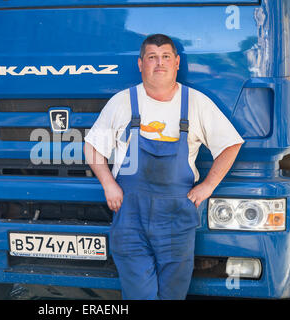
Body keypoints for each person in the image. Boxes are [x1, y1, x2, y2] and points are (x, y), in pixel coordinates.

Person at [84, 34, 244, 300]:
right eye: (152, 57)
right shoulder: (122, 102)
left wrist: (207, 187)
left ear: (177, 62)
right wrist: (109, 184)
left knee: (173, 293)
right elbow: (93, 147)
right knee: (139, 294)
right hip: (130, 215)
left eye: (165, 57)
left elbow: (230, 145)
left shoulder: (195, 102)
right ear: (140, 64)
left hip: (176, 219)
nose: (159, 63)